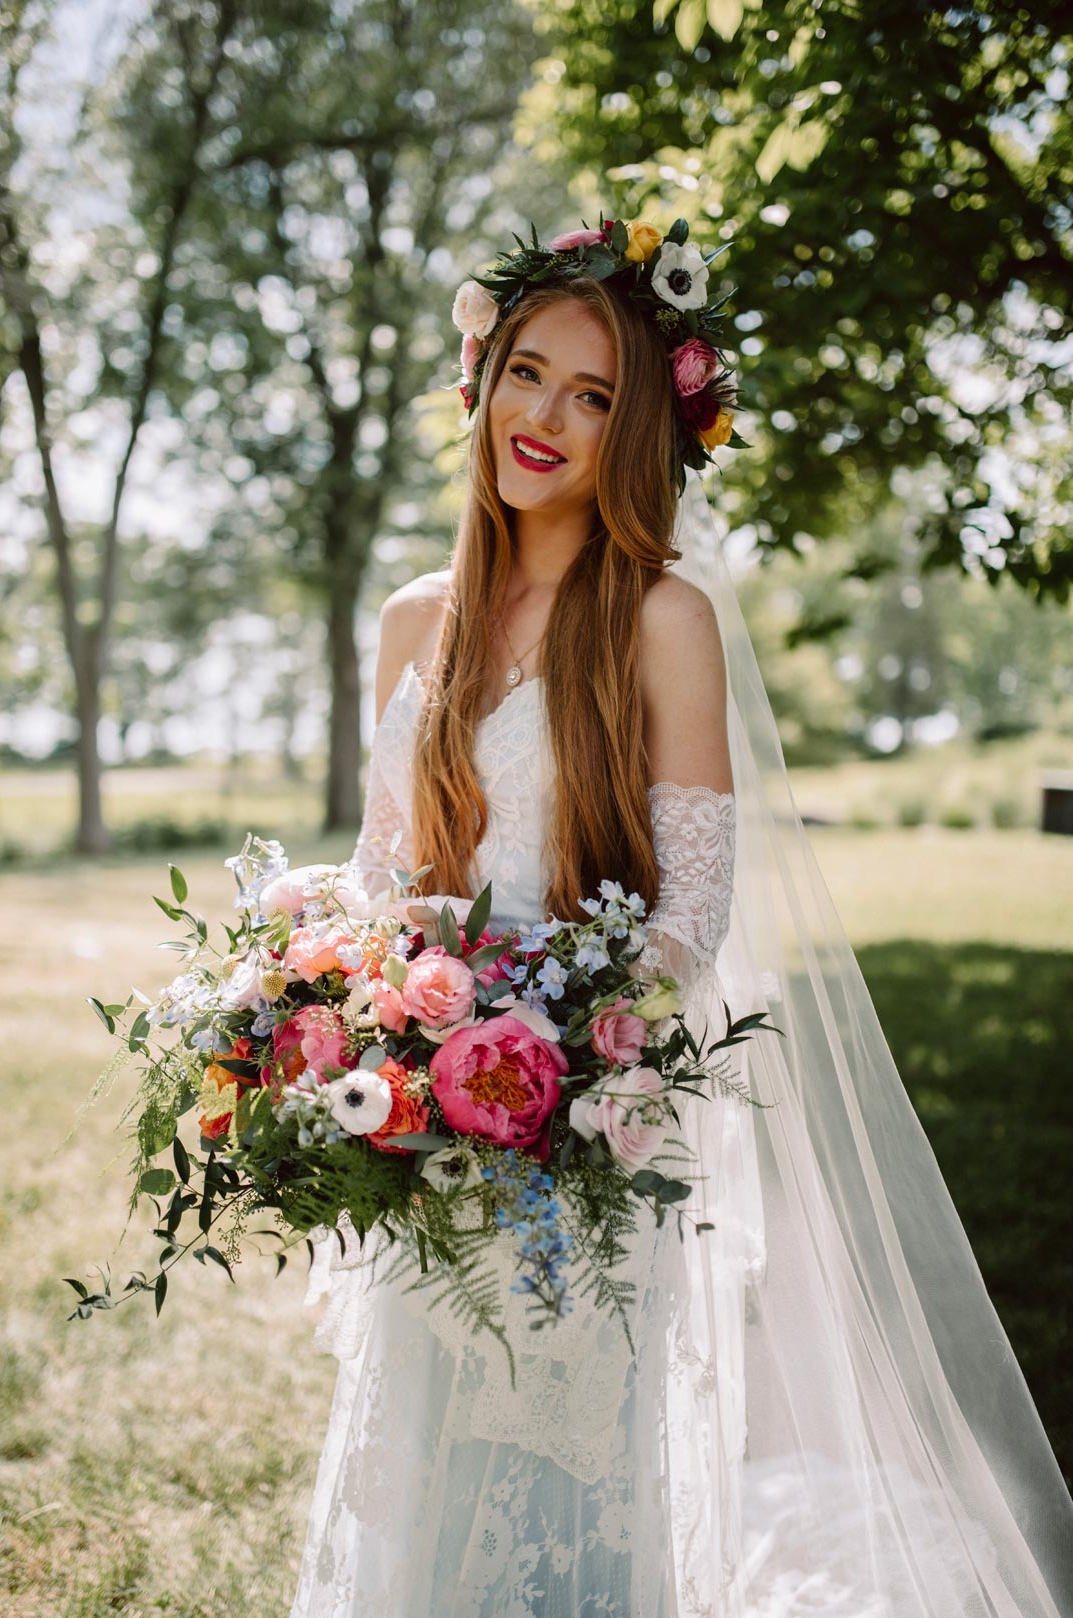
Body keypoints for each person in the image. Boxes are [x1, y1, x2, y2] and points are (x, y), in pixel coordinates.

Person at [289, 217, 1073, 1618]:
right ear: (480, 379)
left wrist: (547, 1062)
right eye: (529, 372)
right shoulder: (418, 617)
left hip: (576, 1131)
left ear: (639, 431)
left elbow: (694, 902)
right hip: (416, 1119)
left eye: (594, 397)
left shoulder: (659, 617)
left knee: (557, 1479)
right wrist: (352, 1010)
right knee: (419, 1462)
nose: (548, 417)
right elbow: (381, 870)